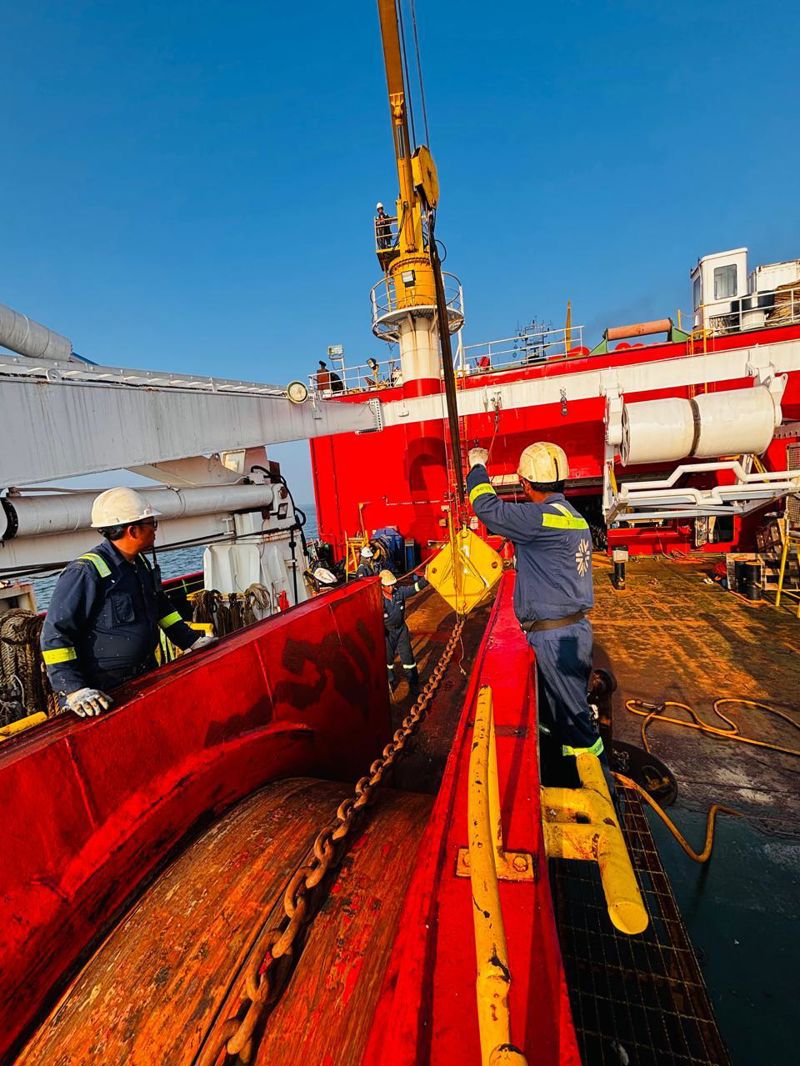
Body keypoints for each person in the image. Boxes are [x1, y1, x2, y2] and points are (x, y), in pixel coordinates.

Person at [466, 443, 606, 785]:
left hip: (554, 638)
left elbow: (486, 507)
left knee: (575, 723)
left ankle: (601, 793)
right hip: (572, 630)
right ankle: (573, 776)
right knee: (566, 710)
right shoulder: (574, 518)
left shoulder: (538, 518)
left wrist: (477, 466)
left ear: (525, 482)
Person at [41, 487, 217, 718]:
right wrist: (75, 690)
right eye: (151, 523)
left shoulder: (139, 563)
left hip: (144, 675)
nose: (155, 530)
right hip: (103, 692)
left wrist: (191, 641)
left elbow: (161, 608)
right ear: (132, 530)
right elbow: (56, 633)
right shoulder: (86, 572)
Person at [381, 569, 428, 695]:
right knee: (388, 660)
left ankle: (413, 683)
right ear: (382, 586)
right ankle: (390, 681)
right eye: (389, 585)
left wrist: (427, 579)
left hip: (401, 630)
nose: (392, 587)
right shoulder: (378, 600)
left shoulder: (399, 593)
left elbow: (415, 588)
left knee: (408, 657)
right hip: (387, 633)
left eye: (393, 584)